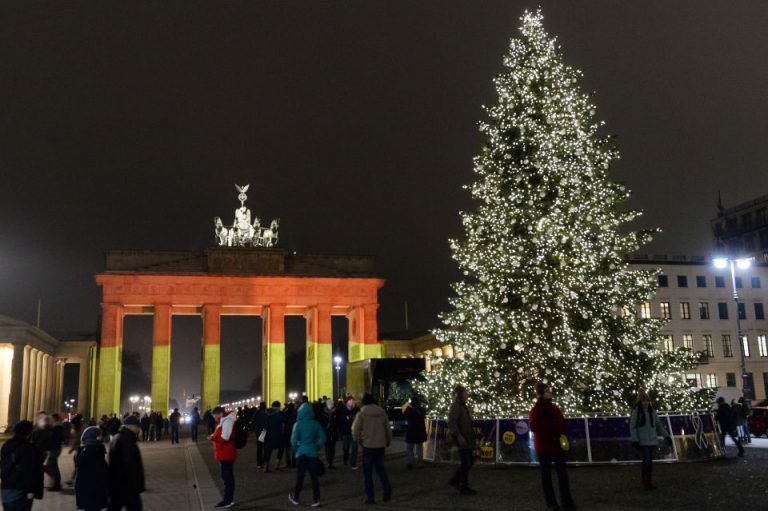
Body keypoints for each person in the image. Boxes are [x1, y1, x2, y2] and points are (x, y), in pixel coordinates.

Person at [530, 382, 576, 510]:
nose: (550, 392)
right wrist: (550, 424)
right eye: (547, 391)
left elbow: (562, 424)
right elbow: (534, 426)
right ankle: (552, 503)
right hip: (545, 447)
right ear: (541, 394)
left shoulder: (554, 408)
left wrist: (564, 437)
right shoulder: (537, 409)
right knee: (547, 476)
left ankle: (566, 501)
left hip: (556, 445)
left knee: (562, 475)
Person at [352, 393, 392, 504]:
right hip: (380, 445)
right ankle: (386, 486)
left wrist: (358, 440)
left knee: (367, 473)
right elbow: (387, 428)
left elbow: (355, 430)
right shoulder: (381, 412)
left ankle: (370, 498)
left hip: (368, 446)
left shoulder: (361, 413)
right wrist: (388, 440)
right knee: (381, 469)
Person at [629, 390, 672, 492]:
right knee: (647, 461)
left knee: (649, 462)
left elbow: (658, 425)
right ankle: (645, 482)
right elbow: (633, 427)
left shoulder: (652, 412)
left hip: (651, 441)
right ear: (640, 401)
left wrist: (666, 436)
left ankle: (647, 482)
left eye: (647, 400)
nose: (645, 403)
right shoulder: (637, 412)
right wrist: (635, 440)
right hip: (642, 441)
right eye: (643, 401)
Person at [0, 420, 44, 511]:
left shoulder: (6, 445)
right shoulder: (28, 449)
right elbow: (29, 472)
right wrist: (31, 490)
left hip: (6, 488)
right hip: (21, 490)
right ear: (29, 433)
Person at [288, 403, 326, 507]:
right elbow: (323, 438)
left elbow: (293, 441)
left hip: (301, 454)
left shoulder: (298, 424)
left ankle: (296, 498)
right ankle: (316, 499)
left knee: (300, 477)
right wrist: (316, 447)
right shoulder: (315, 424)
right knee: (314, 478)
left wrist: (297, 450)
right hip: (312, 453)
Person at [107, 415, 145, 511]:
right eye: (137, 427)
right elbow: (129, 463)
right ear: (131, 426)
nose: (139, 429)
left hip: (119, 483)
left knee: (115, 506)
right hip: (126, 484)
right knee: (134, 507)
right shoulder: (127, 440)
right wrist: (135, 484)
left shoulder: (118, 437)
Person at [447, 385, 476, 495]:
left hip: (467, 438)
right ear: (460, 394)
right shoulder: (457, 406)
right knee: (466, 463)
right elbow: (452, 422)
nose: (467, 394)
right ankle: (463, 486)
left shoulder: (463, 406)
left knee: (469, 462)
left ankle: (456, 481)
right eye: (465, 392)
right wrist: (459, 435)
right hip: (462, 439)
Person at [208, 406, 237, 509]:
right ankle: (228, 499)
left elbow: (225, 437)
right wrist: (213, 435)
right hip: (224, 453)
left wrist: (213, 437)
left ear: (220, 413)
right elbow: (222, 434)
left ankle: (228, 500)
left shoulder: (227, 421)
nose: (214, 418)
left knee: (227, 478)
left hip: (226, 454)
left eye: (215, 416)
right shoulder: (223, 420)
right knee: (226, 477)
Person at [75, 426, 109, 511]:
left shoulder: (83, 448)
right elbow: (101, 469)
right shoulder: (95, 449)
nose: (101, 437)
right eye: (99, 435)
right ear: (94, 436)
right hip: (93, 488)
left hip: (85, 487)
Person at [404, 396, 427, 469]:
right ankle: (420, 463)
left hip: (411, 430)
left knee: (410, 448)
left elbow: (405, 415)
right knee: (419, 448)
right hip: (420, 431)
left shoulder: (409, 409)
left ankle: (410, 462)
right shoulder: (421, 410)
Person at [262, 401, 286, 472]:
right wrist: (283, 412)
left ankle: (265, 467)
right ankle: (277, 465)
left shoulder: (265, 413)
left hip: (267, 435)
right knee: (281, 449)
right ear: (278, 407)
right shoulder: (279, 414)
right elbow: (285, 420)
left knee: (267, 451)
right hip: (277, 435)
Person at [322, 399, 339, 469]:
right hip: (327, 433)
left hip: (333, 433)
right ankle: (329, 461)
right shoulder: (323, 413)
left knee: (331, 448)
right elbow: (322, 423)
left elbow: (338, 423)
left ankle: (330, 462)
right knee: (328, 448)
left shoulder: (336, 412)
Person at [279, 403, 297, 469]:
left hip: (286, 432)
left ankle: (288, 462)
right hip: (294, 432)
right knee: (294, 448)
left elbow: (281, 418)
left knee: (287, 449)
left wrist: (284, 409)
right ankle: (294, 462)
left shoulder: (286, 413)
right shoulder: (296, 413)